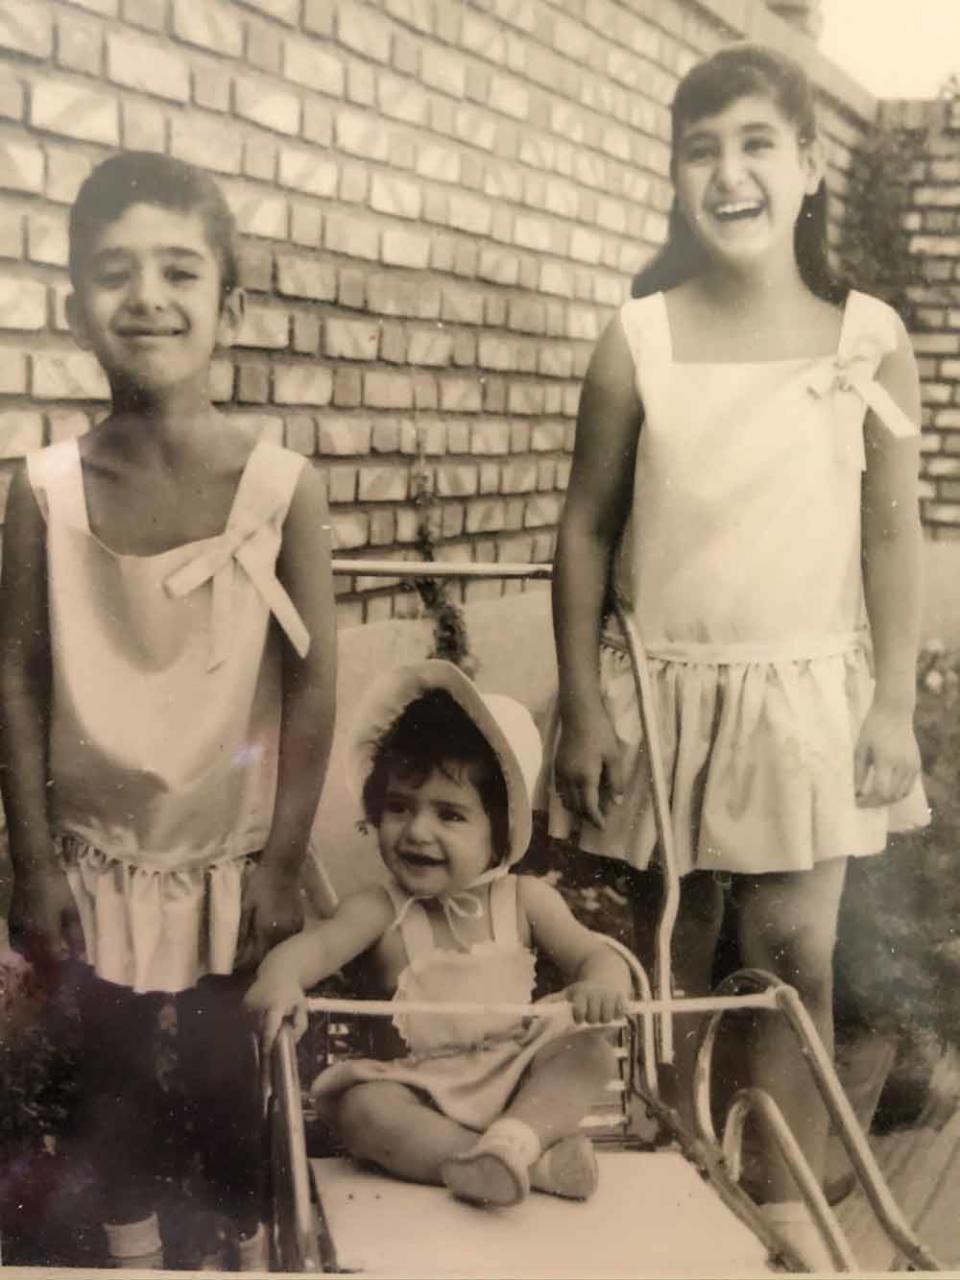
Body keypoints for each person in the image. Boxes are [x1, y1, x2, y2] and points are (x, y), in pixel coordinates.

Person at [546, 42, 928, 1269]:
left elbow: (890, 533)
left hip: (806, 690)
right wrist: (584, 710)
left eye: (759, 142)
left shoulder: (865, 338)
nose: (730, 171)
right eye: (701, 149)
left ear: (811, 167)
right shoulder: (640, 337)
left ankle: (777, 1199)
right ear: (673, 179)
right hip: (662, 694)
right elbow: (586, 526)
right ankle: (668, 1185)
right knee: (669, 951)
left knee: (792, 954)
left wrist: (890, 709)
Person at [0, 151, 337, 1271]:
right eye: (115, 270)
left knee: (221, 1060)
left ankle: (240, 1241)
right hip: (97, 846)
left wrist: (284, 856)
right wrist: (34, 858)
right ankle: (135, 1249)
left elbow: (312, 681)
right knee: (103, 1065)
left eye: (181, 271)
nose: (148, 295)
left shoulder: (279, 485)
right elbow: (18, 673)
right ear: (71, 306)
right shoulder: (43, 488)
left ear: (229, 307)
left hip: (228, 846)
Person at [245, 660, 633, 1208]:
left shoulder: (526, 900)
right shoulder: (379, 911)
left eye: (450, 815)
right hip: (419, 1094)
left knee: (588, 1053)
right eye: (400, 807)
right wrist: (282, 978)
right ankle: (525, 1161)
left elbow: (595, 954)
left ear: (501, 832)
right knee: (364, 1110)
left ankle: (516, 1139)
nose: (418, 831)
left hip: (515, 1079)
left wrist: (601, 982)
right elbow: (311, 950)